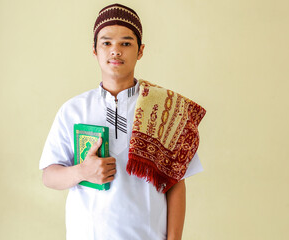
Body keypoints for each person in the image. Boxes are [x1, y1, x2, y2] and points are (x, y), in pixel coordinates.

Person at [40, 3, 205, 240]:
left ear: (140, 51)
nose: (115, 51)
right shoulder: (73, 110)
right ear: (95, 50)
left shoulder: (167, 110)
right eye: (106, 43)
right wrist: (81, 172)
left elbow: (176, 183)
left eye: (126, 43)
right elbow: (49, 176)